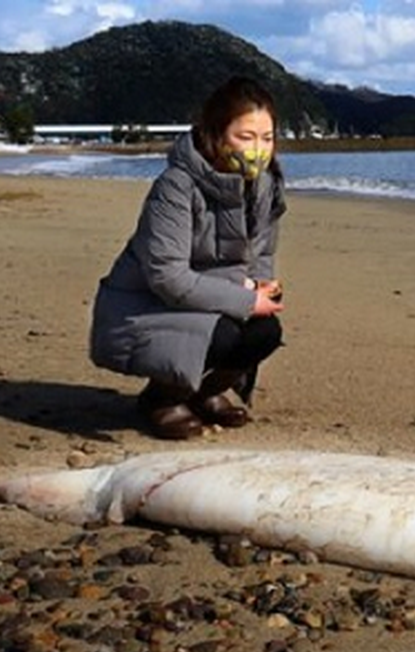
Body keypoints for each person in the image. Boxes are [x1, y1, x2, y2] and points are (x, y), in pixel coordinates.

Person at [90, 76, 288, 439]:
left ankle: (203, 393)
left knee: (265, 331)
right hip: (140, 309)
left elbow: (262, 248)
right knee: (227, 333)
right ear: (216, 133)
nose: (258, 149)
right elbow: (167, 277)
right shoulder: (176, 186)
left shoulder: (265, 184)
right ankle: (161, 399)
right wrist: (245, 299)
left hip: (209, 297)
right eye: (245, 137)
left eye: (267, 138)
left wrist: (261, 283)